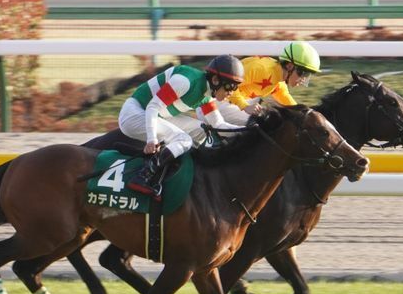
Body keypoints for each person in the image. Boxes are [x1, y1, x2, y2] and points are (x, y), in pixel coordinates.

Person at [119, 55, 245, 196]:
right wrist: (151, 139)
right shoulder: (185, 81)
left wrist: (248, 130)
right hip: (134, 113)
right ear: (215, 80)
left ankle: (192, 172)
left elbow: (218, 124)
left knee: (201, 129)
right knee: (184, 139)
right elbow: (152, 107)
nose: (232, 92)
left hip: (157, 114)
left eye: (236, 87)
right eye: (230, 86)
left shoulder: (208, 95)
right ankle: (143, 176)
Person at [171, 40, 323, 144]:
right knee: (263, 123)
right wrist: (244, 105)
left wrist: (308, 117)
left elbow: (289, 102)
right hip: (215, 103)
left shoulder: (278, 80)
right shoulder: (262, 69)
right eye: (302, 73)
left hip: (228, 105)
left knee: (271, 114)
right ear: (289, 66)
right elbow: (228, 87)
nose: (303, 79)